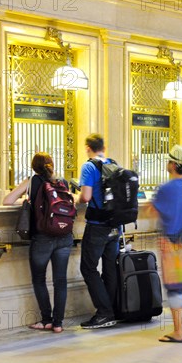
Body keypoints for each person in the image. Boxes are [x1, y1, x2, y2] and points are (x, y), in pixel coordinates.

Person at [3, 152, 73, 334]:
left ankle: (46, 320)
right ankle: (58, 323)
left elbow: (7, 201)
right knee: (61, 281)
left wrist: (27, 199)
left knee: (39, 279)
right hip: (64, 236)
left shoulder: (32, 182)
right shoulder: (63, 182)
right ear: (52, 164)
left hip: (42, 238)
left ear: (34, 167)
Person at [152, 145, 182, 342]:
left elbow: (152, 211)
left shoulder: (165, 188)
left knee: (174, 286)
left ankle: (178, 331)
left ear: (172, 164)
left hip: (171, 241)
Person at [78, 134, 119, 329]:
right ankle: (110, 311)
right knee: (109, 267)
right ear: (104, 146)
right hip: (115, 225)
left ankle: (104, 312)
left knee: (88, 268)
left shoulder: (89, 166)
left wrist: (74, 197)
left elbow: (85, 197)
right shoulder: (114, 163)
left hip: (97, 225)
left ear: (87, 148)